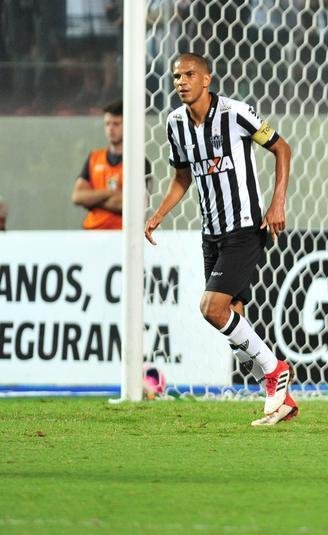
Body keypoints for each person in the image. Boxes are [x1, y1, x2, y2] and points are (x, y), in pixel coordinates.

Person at [144, 52, 296, 427]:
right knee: (232, 320)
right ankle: (281, 400)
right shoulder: (175, 124)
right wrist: (159, 214)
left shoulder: (236, 113)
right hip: (210, 233)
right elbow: (183, 176)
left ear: (207, 79)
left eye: (189, 74)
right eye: (177, 75)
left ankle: (276, 369)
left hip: (244, 227)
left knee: (211, 308)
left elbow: (282, 147)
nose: (181, 81)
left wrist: (277, 202)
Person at [73, 100, 142, 229]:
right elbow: (78, 196)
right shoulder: (94, 157)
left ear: (127, 125)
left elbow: (131, 205)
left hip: (123, 235)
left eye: (116, 124)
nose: (110, 129)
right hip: (92, 231)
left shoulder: (138, 162)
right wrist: (110, 193)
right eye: (107, 124)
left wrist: (92, 200)